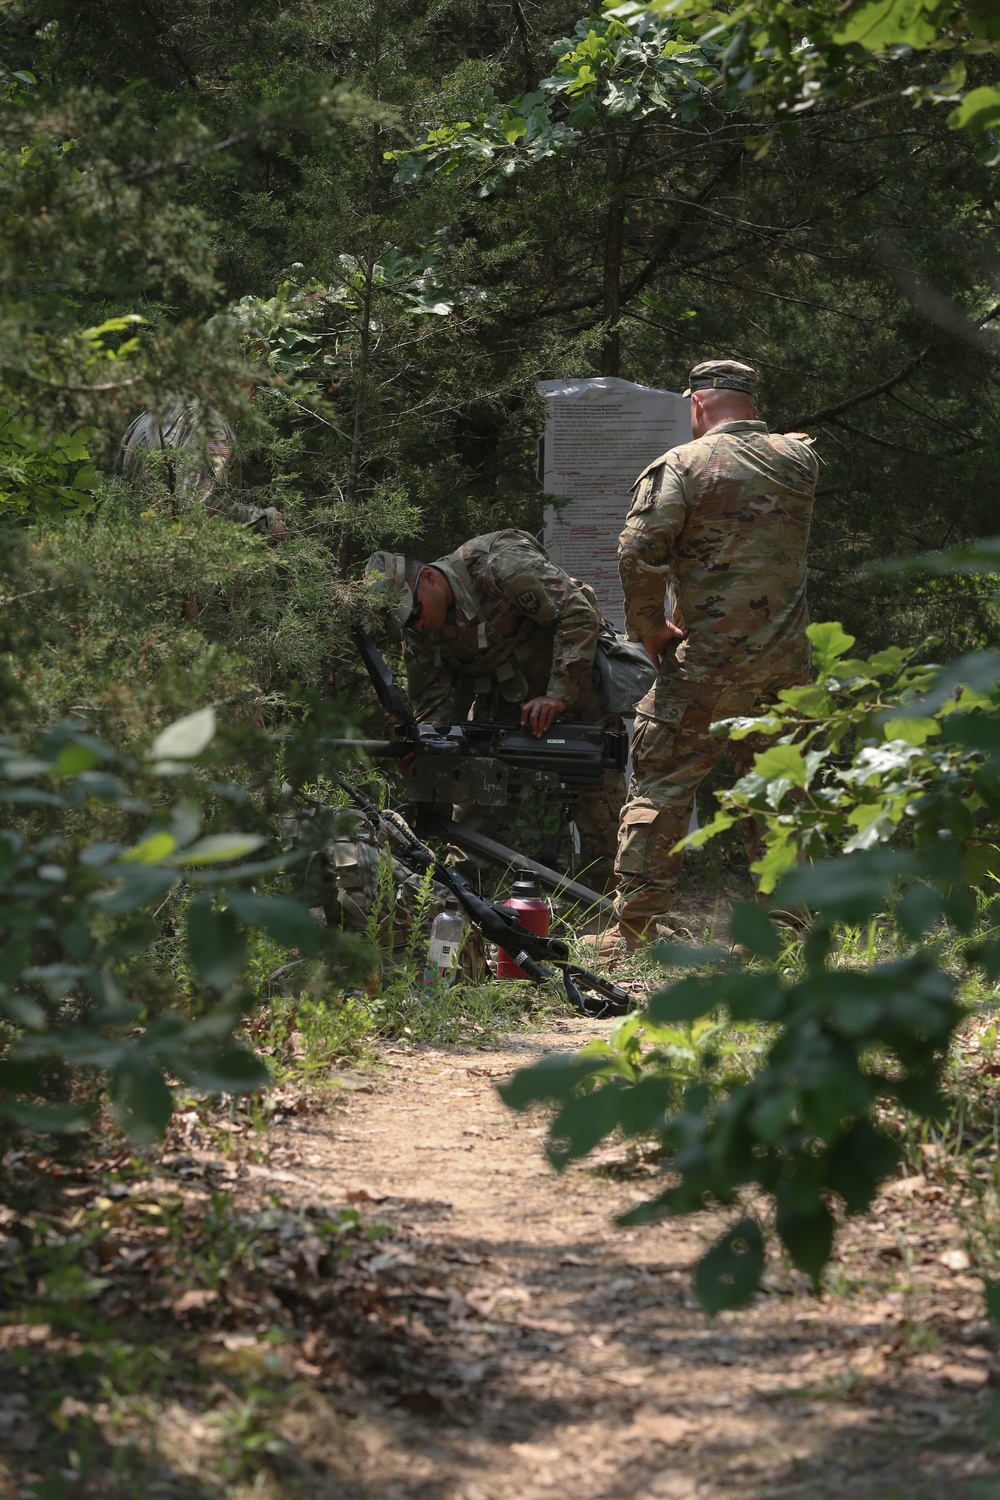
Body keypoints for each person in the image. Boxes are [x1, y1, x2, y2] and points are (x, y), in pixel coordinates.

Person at [595, 358, 819, 953]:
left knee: (662, 783)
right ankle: (786, 929)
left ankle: (635, 929)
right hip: (786, 664)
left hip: (706, 665)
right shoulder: (799, 461)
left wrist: (650, 629)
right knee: (777, 790)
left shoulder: (681, 465)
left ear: (697, 405)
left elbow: (639, 551)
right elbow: (787, 448)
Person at [364, 530, 625, 890]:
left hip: (575, 688)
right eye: (407, 622)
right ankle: (465, 908)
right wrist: (427, 743)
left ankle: (616, 914)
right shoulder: (420, 630)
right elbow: (433, 698)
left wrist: (559, 693)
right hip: (503, 706)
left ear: (427, 578)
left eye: (416, 612)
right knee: (477, 807)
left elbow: (578, 614)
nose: (417, 624)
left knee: (600, 808)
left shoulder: (498, 564)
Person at [118, 403, 287, 537]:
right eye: (252, 384)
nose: (254, 396)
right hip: (189, 568)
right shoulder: (210, 427)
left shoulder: (152, 415)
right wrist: (266, 520)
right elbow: (206, 509)